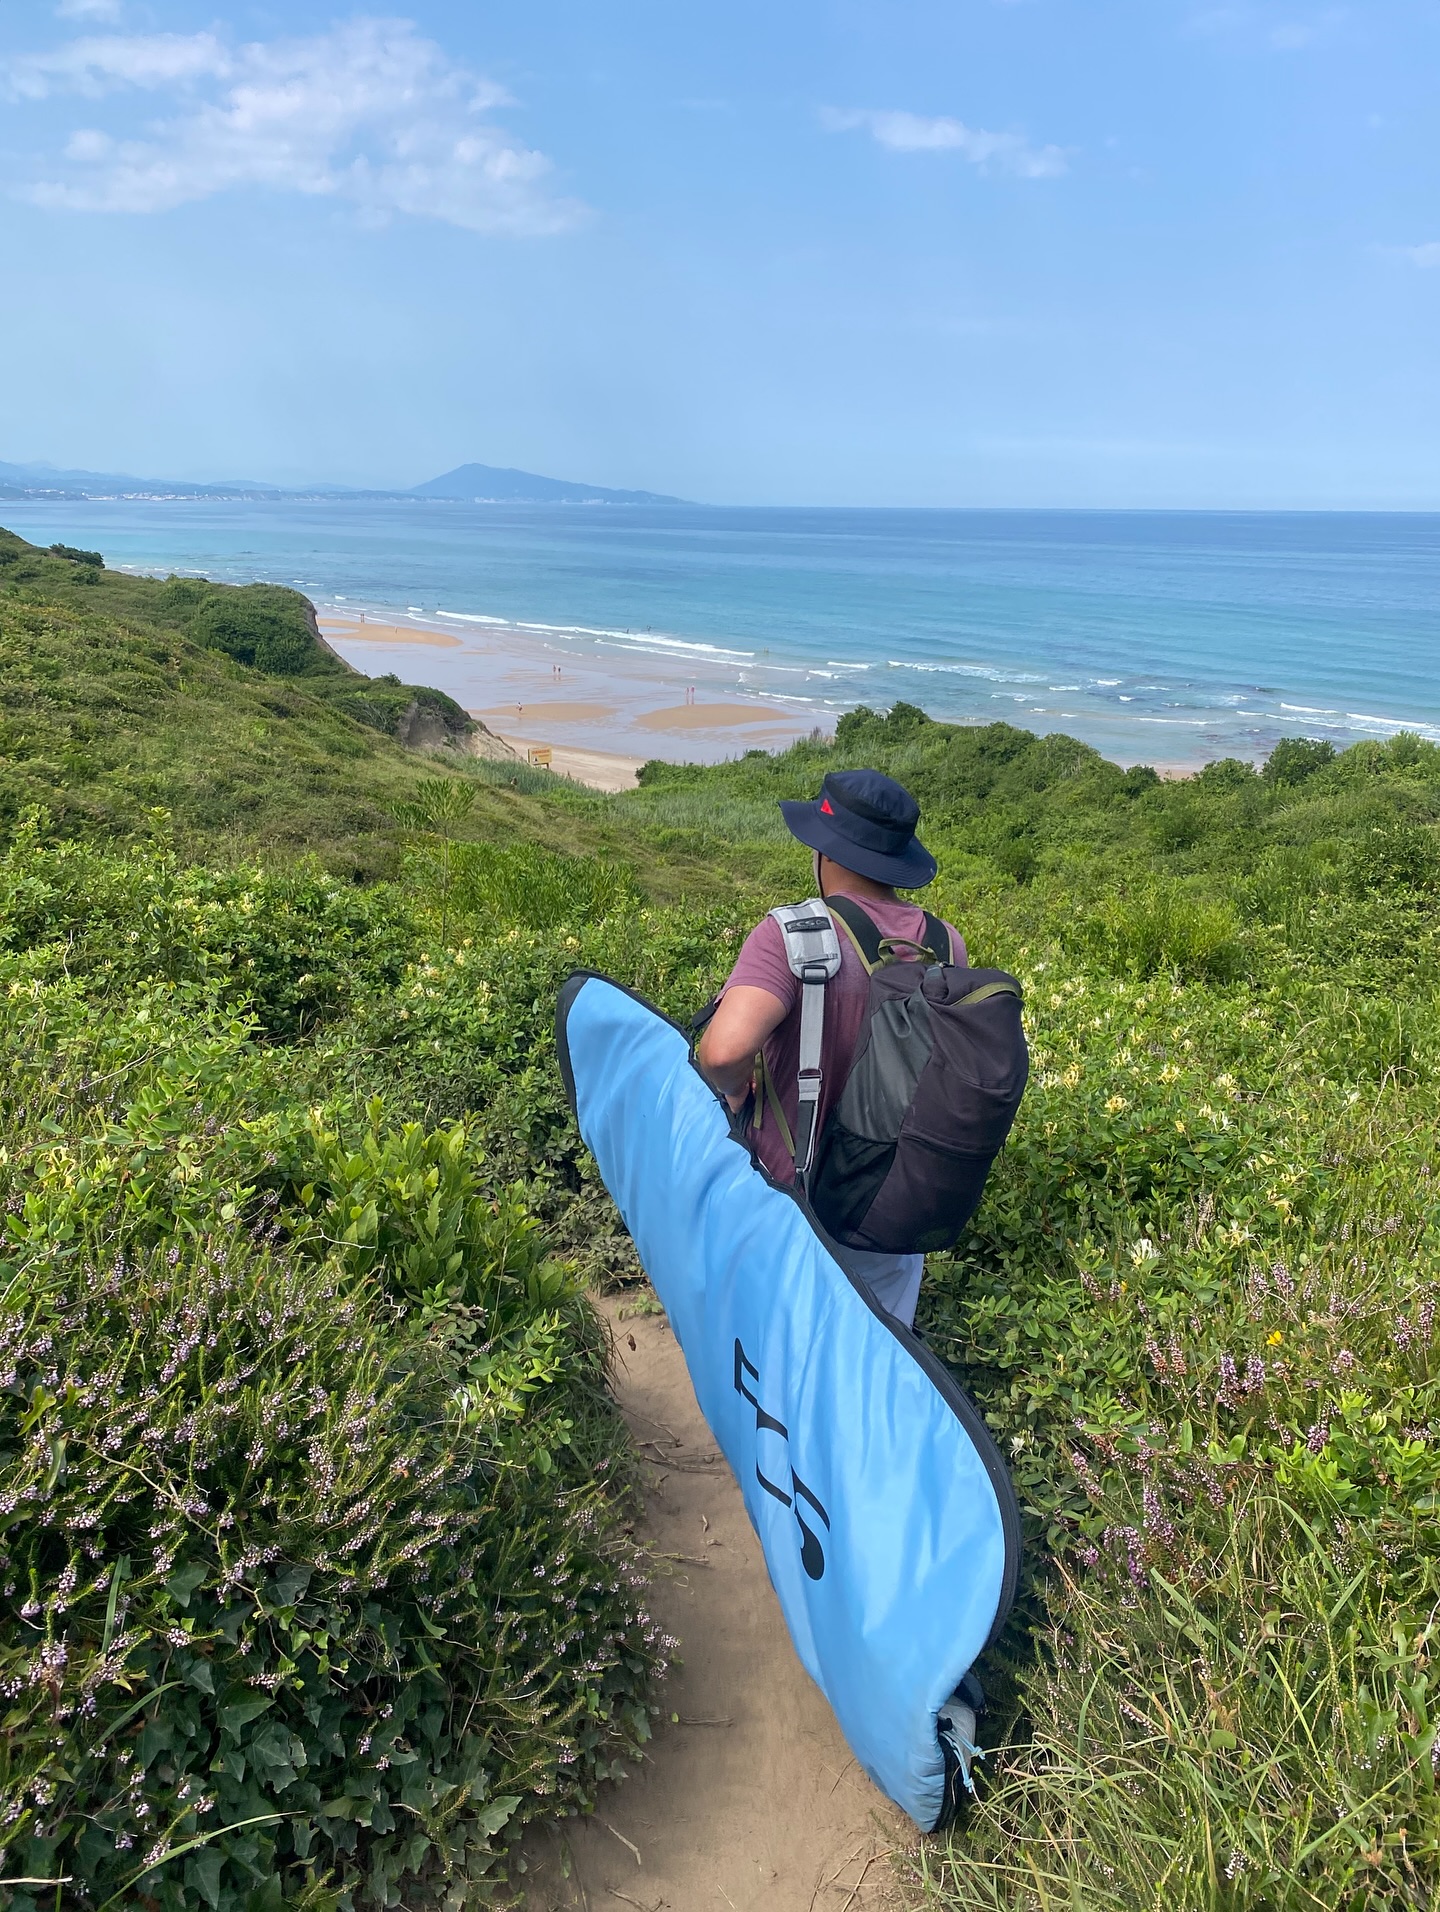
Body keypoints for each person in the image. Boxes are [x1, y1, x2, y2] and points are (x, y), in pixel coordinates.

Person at [697, 768, 964, 1329]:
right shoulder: (944, 943)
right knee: (875, 1361)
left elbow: (721, 1053)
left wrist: (736, 1090)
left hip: (795, 1197)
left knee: (779, 1355)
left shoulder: (792, 935)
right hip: (894, 1200)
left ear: (828, 853)